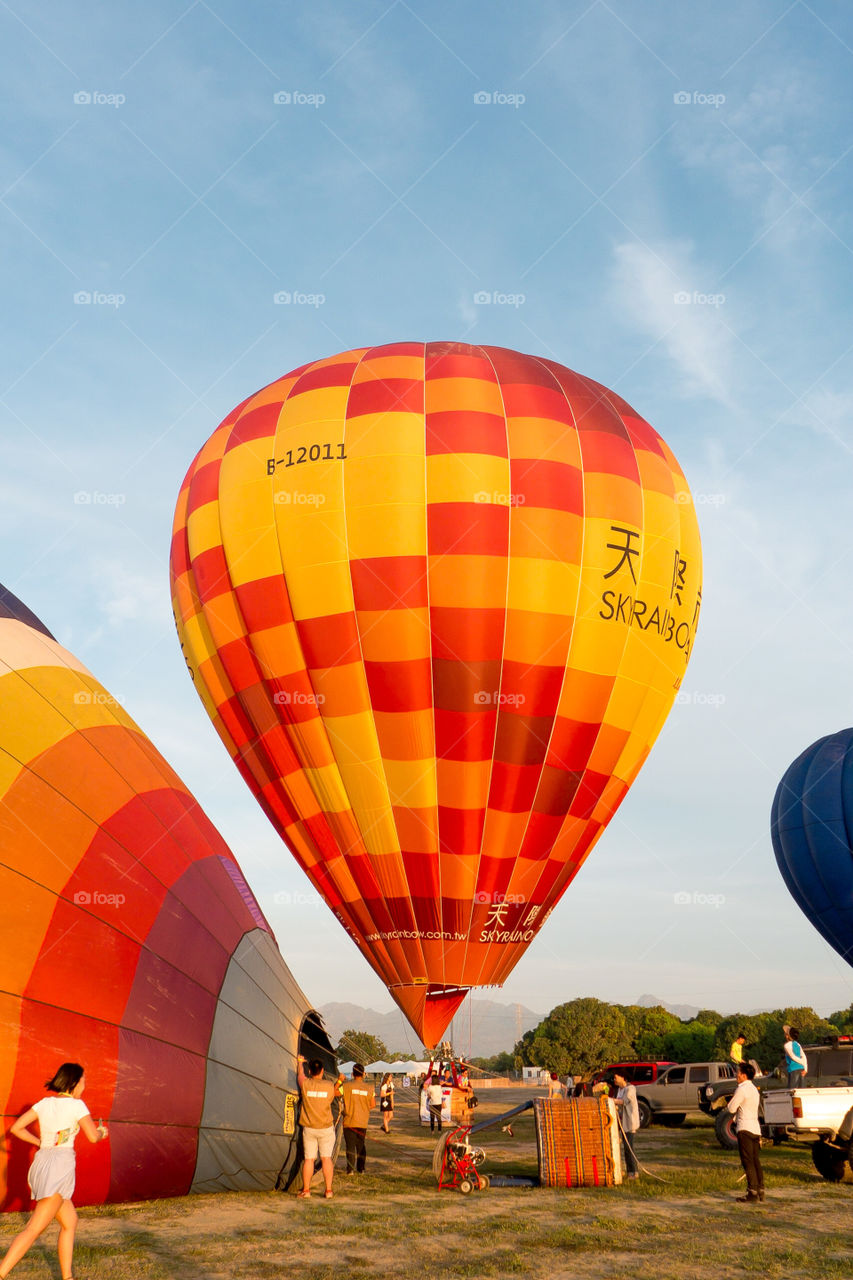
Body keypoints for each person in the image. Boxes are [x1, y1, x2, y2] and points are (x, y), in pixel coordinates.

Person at [0, 1062, 108, 1280]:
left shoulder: (45, 1103)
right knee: (33, 1229)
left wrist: (40, 1143)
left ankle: (68, 1277)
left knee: (70, 1221)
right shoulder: (77, 1106)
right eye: (84, 1080)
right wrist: (102, 1132)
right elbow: (92, 1137)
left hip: (43, 1164)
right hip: (59, 1168)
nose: (85, 1085)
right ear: (75, 1082)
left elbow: (16, 1128)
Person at [296, 1055, 338, 1199]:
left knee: (309, 1160)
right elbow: (333, 1096)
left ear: (310, 1071)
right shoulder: (329, 1086)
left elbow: (299, 1075)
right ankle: (328, 1190)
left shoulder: (305, 1084)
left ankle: (306, 1190)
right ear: (322, 1071)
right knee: (326, 1159)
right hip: (326, 1128)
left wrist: (300, 1063)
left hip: (309, 1128)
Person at [726, 1062, 764, 1203]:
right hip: (755, 1128)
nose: (736, 1075)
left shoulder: (741, 1089)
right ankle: (761, 1189)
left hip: (745, 1128)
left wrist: (729, 1102)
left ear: (743, 1075)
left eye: (738, 1072)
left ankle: (752, 1192)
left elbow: (731, 1108)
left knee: (747, 1161)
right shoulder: (754, 1089)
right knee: (755, 1160)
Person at [340, 1064, 375, 1175]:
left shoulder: (346, 1086)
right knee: (361, 1145)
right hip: (362, 1121)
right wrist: (363, 1108)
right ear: (363, 1074)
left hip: (349, 1120)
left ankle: (350, 1169)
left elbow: (334, 1093)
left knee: (350, 1146)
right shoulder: (370, 1088)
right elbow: (373, 1104)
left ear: (353, 1074)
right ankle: (361, 1168)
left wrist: (339, 1081)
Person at [612, 1072, 640, 1180]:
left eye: (616, 1077)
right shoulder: (619, 1089)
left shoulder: (630, 1088)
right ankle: (629, 1172)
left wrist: (612, 1100)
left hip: (629, 1122)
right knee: (625, 1148)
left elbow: (625, 1101)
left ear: (622, 1077)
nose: (614, 1079)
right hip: (621, 1123)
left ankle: (634, 1171)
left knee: (629, 1147)